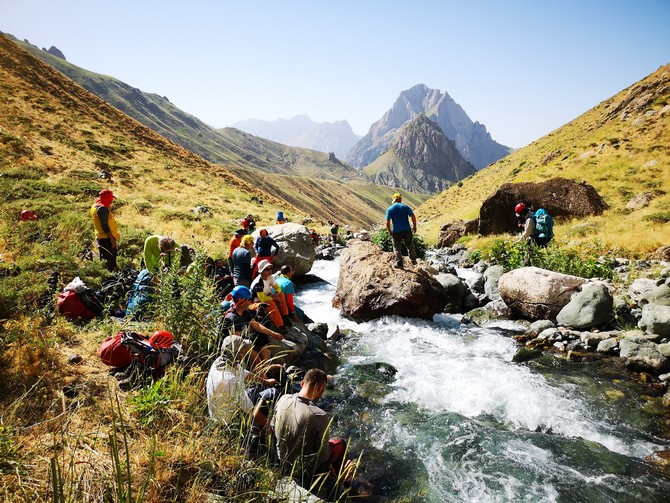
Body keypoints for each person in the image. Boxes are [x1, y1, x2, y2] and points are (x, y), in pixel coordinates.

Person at [274, 368, 355, 499]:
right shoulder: (318, 414)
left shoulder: (283, 399)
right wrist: (329, 467)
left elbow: (274, 427)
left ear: (301, 384)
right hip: (306, 470)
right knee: (339, 443)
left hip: (283, 459)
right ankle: (341, 481)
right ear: (321, 387)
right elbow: (324, 455)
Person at [206, 334, 279, 432]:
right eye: (244, 350)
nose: (246, 352)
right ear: (239, 354)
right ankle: (259, 433)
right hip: (228, 422)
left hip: (231, 403)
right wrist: (270, 428)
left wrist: (266, 381)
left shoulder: (220, 361)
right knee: (272, 394)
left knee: (263, 388)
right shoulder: (229, 380)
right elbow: (252, 411)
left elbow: (244, 374)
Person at [220, 285, 284, 363]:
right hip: (233, 346)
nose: (250, 302)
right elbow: (238, 343)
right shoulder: (232, 318)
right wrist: (255, 357)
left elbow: (256, 325)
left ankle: (265, 364)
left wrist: (273, 334)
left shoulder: (244, 311)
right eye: (248, 300)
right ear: (241, 300)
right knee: (249, 347)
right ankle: (260, 369)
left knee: (261, 335)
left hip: (242, 338)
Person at [251, 260, 290, 332]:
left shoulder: (270, 277)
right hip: (256, 301)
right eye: (267, 269)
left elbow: (278, 288)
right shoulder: (258, 283)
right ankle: (280, 325)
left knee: (281, 295)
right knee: (270, 303)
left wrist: (277, 293)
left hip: (267, 295)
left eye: (270, 268)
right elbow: (262, 298)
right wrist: (275, 297)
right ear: (262, 271)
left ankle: (285, 316)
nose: (270, 271)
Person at [385, 193, 417, 268]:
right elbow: (413, 216)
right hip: (407, 229)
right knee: (409, 245)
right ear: (400, 199)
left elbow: (387, 222)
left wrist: (389, 231)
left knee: (397, 247)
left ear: (394, 199)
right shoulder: (405, 207)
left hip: (396, 231)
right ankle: (413, 260)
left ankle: (399, 262)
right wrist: (414, 226)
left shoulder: (390, 209)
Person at [90, 189, 119, 271]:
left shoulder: (95, 206)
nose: (111, 201)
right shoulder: (102, 209)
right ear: (107, 198)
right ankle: (109, 279)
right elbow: (104, 225)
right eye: (110, 198)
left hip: (101, 236)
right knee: (109, 261)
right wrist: (111, 239)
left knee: (105, 259)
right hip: (106, 238)